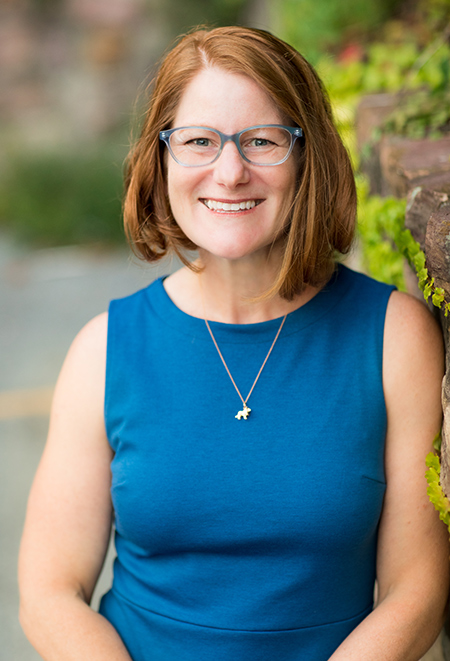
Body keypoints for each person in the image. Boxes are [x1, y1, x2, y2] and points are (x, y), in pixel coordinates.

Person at [18, 26, 449, 661]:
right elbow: (49, 591)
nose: (230, 172)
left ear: (308, 156)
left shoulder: (393, 337)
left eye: (261, 142)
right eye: (198, 142)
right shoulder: (104, 350)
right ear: (161, 157)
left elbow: (417, 591)